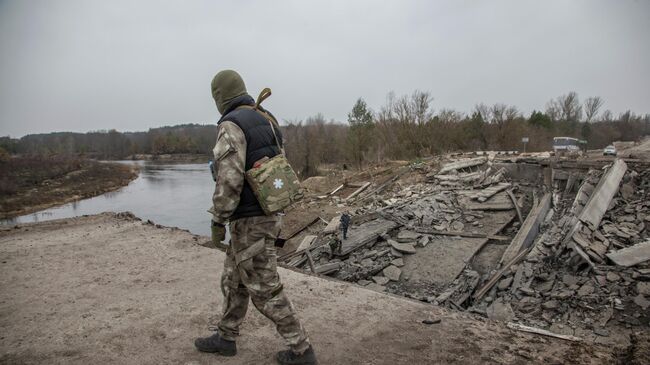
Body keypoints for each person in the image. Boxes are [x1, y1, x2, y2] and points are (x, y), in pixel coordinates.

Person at [194, 70, 316, 365]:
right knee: (234, 279)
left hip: (249, 219)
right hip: (268, 212)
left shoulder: (231, 124)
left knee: (264, 287)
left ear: (220, 97)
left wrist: (217, 219)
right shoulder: (266, 117)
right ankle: (226, 337)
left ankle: (301, 350)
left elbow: (229, 179)